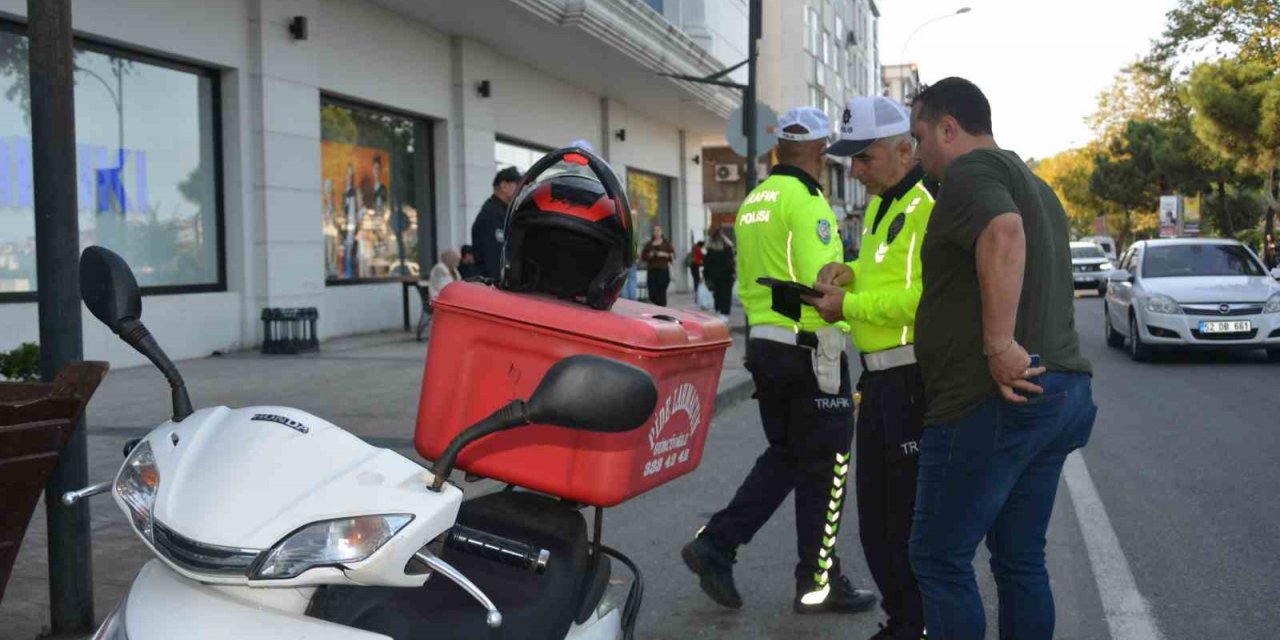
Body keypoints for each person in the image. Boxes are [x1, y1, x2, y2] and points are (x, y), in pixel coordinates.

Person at [906, 77, 1095, 640]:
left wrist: (998, 345)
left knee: (939, 558)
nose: (918, 155)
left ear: (949, 127)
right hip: (1055, 393)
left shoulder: (971, 170)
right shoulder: (1037, 185)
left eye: (919, 138)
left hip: (991, 400)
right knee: (1019, 557)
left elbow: (1003, 234)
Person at [681, 106, 877, 616]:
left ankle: (716, 544)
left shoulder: (754, 201)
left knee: (789, 455)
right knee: (828, 467)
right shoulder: (807, 200)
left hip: (766, 348)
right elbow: (824, 284)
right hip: (810, 348)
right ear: (816, 153)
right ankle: (819, 582)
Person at [807, 95, 934, 640]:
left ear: (906, 149)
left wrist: (848, 306)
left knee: (904, 521)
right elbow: (884, 272)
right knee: (875, 520)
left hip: (911, 380)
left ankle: (917, 625)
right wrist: (850, 272)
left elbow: (924, 298)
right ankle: (902, 619)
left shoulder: (928, 205)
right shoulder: (884, 205)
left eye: (866, 157)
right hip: (879, 381)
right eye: (851, 159)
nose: (855, 171)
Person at [471, 166, 523, 281]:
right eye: (517, 186)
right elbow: (494, 258)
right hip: (493, 287)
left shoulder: (502, 212)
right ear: (504, 186)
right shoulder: (492, 214)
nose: (520, 191)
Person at [701, 225, 735, 321]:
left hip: (720, 276)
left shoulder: (716, 249)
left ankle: (721, 312)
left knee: (720, 295)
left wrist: (705, 275)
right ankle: (723, 313)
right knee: (722, 295)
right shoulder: (723, 249)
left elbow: (705, 261)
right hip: (722, 276)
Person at [640, 226, 676, 306]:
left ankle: (662, 308)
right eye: (654, 230)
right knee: (652, 292)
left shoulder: (666, 243)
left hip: (663, 270)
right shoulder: (649, 244)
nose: (656, 232)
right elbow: (643, 256)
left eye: (658, 230)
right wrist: (650, 255)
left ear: (661, 232)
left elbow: (673, 255)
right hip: (652, 270)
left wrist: (664, 254)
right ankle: (658, 306)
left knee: (661, 291)